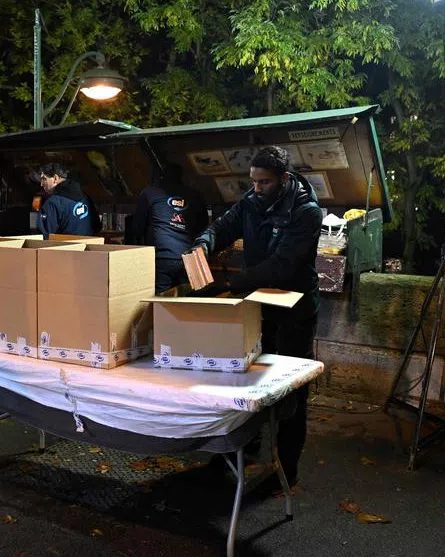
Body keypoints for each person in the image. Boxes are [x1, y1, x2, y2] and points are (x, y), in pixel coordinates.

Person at [192, 145, 323, 481]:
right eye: (253, 181)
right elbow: (223, 227)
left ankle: (286, 469)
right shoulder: (251, 202)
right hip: (258, 307)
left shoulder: (306, 212)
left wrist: (228, 283)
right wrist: (204, 243)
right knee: (248, 381)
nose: (257, 188)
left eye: (264, 182)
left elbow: (281, 267)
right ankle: (242, 453)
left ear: (284, 179)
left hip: (295, 311)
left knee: (292, 391)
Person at [132, 163, 207, 292]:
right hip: (192, 257)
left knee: (161, 301)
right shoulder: (196, 195)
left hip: (162, 257)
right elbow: (204, 226)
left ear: (160, 177)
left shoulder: (149, 193)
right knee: (193, 301)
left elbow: (137, 227)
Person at [37, 163, 101, 238]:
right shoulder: (86, 197)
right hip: (89, 245)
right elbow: (97, 227)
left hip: (64, 245)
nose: (41, 184)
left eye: (44, 179)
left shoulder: (52, 203)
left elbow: (44, 237)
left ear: (55, 178)